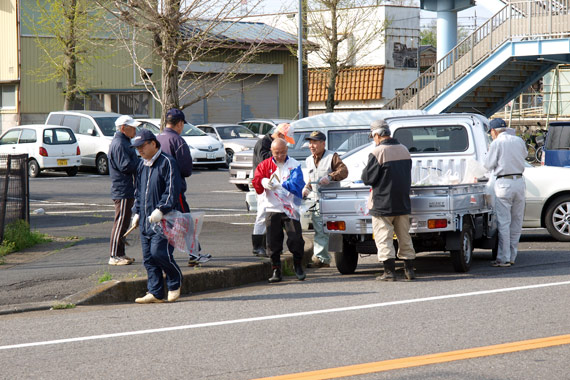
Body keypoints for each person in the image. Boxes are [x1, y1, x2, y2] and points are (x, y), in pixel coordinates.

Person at [131, 129, 184, 304]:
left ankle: (175, 281)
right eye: (137, 148)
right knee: (148, 257)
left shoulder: (167, 162)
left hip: (165, 219)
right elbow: (138, 191)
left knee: (159, 252)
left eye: (142, 146)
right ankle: (155, 292)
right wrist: (137, 212)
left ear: (153, 144)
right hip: (146, 218)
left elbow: (172, 190)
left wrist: (161, 209)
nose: (139, 150)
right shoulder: (141, 165)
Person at [361, 119, 416, 281]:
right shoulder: (405, 150)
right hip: (403, 202)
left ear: (377, 135)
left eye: (373, 137)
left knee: (383, 237)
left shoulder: (378, 152)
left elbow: (367, 178)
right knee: (404, 236)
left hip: (383, 203)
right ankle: (409, 270)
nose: (374, 140)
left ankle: (389, 272)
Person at [156, 108, 211, 267]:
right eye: (182, 124)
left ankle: (166, 255)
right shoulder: (178, 141)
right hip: (175, 188)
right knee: (186, 221)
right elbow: (186, 169)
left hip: (159, 188)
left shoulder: (158, 138)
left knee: (164, 222)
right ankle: (194, 254)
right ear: (179, 123)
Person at [252, 138, 306, 283]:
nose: (280, 156)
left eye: (283, 153)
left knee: (296, 239)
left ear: (287, 150)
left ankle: (298, 265)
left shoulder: (294, 164)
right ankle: (276, 269)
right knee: (273, 242)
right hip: (272, 207)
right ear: (271, 151)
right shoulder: (265, 165)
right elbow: (256, 181)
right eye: (277, 153)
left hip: (290, 208)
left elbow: (298, 183)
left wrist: (281, 184)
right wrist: (264, 182)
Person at [484, 118, 527, 267]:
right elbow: (525, 155)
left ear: (494, 131)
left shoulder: (497, 143)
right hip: (520, 182)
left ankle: (503, 258)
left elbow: (488, 164)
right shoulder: (519, 141)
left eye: (491, 132)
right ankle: (512, 256)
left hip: (504, 183)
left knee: (504, 223)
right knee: (516, 222)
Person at [302, 131, 348, 268]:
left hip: (331, 199)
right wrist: (307, 188)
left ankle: (326, 257)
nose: (312, 145)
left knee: (333, 231)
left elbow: (344, 171)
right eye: (310, 143)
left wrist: (330, 177)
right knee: (319, 229)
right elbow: (312, 178)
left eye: (315, 142)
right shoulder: (309, 159)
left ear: (323, 143)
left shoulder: (331, 156)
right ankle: (321, 258)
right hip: (317, 200)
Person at [250, 122, 296, 257]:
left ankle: (269, 245)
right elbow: (264, 163)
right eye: (285, 139)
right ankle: (257, 246)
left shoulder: (272, 144)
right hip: (264, 186)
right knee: (263, 213)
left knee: (274, 215)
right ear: (280, 134)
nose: (285, 144)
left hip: (276, 185)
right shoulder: (263, 144)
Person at [108, 115, 140, 266]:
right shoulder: (119, 143)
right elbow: (125, 166)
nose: (135, 129)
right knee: (120, 222)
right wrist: (140, 162)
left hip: (126, 188)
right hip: (122, 189)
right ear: (123, 128)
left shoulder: (124, 141)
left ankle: (120, 253)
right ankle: (114, 255)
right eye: (132, 127)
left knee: (124, 222)